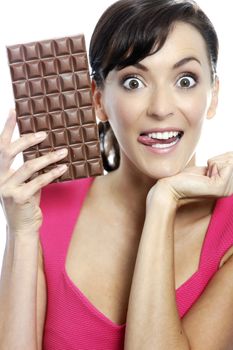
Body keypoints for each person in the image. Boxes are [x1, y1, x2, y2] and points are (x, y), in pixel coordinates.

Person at [1, 0, 233, 349]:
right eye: (133, 82)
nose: (160, 108)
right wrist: (20, 232)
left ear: (212, 95)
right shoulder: (49, 203)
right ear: (98, 100)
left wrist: (162, 202)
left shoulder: (229, 233)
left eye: (185, 80)